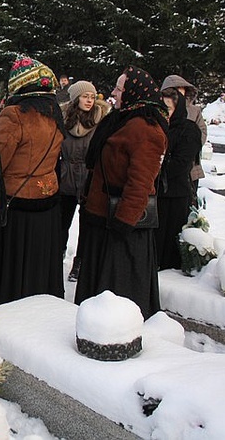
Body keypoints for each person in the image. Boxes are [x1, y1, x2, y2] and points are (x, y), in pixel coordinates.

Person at [74, 66, 168, 319]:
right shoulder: (122, 119)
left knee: (116, 296)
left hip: (120, 228)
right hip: (101, 219)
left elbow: (140, 184)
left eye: (119, 88)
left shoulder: (145, 129)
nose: (113, 93)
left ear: (134, 91)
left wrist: (122, 224)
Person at [0, 57, 65, 308]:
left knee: (14, 265)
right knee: (41, 263)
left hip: (17, 206)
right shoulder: (54, 114)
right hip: (48, 203)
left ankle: (10, 305)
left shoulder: (14, 114)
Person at [58, 81, 110, 281]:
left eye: (92, 96)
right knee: (62, 222)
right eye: (85, 96)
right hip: (66, 175)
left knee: (87, 224)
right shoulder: (63, 119)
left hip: (89, 176)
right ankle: (57, 255)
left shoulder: (101, 120)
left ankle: (80, 263)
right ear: (75, 98)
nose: (89, 100)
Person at [155, 86, 203, 270]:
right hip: (155, 192)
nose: (163, 113)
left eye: (167, 108)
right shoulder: (157, 126)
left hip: (174, 194)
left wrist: (156, 168)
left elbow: (182, 163)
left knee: (168, 243)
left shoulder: (187, 130)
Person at [160, 75, 207, 200]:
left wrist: (188, 147)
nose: (181, 91)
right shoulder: (163, 107)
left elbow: (202, 131)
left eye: (183, 88)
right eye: (176, 88)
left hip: (189, 164)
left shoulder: (194, 111)